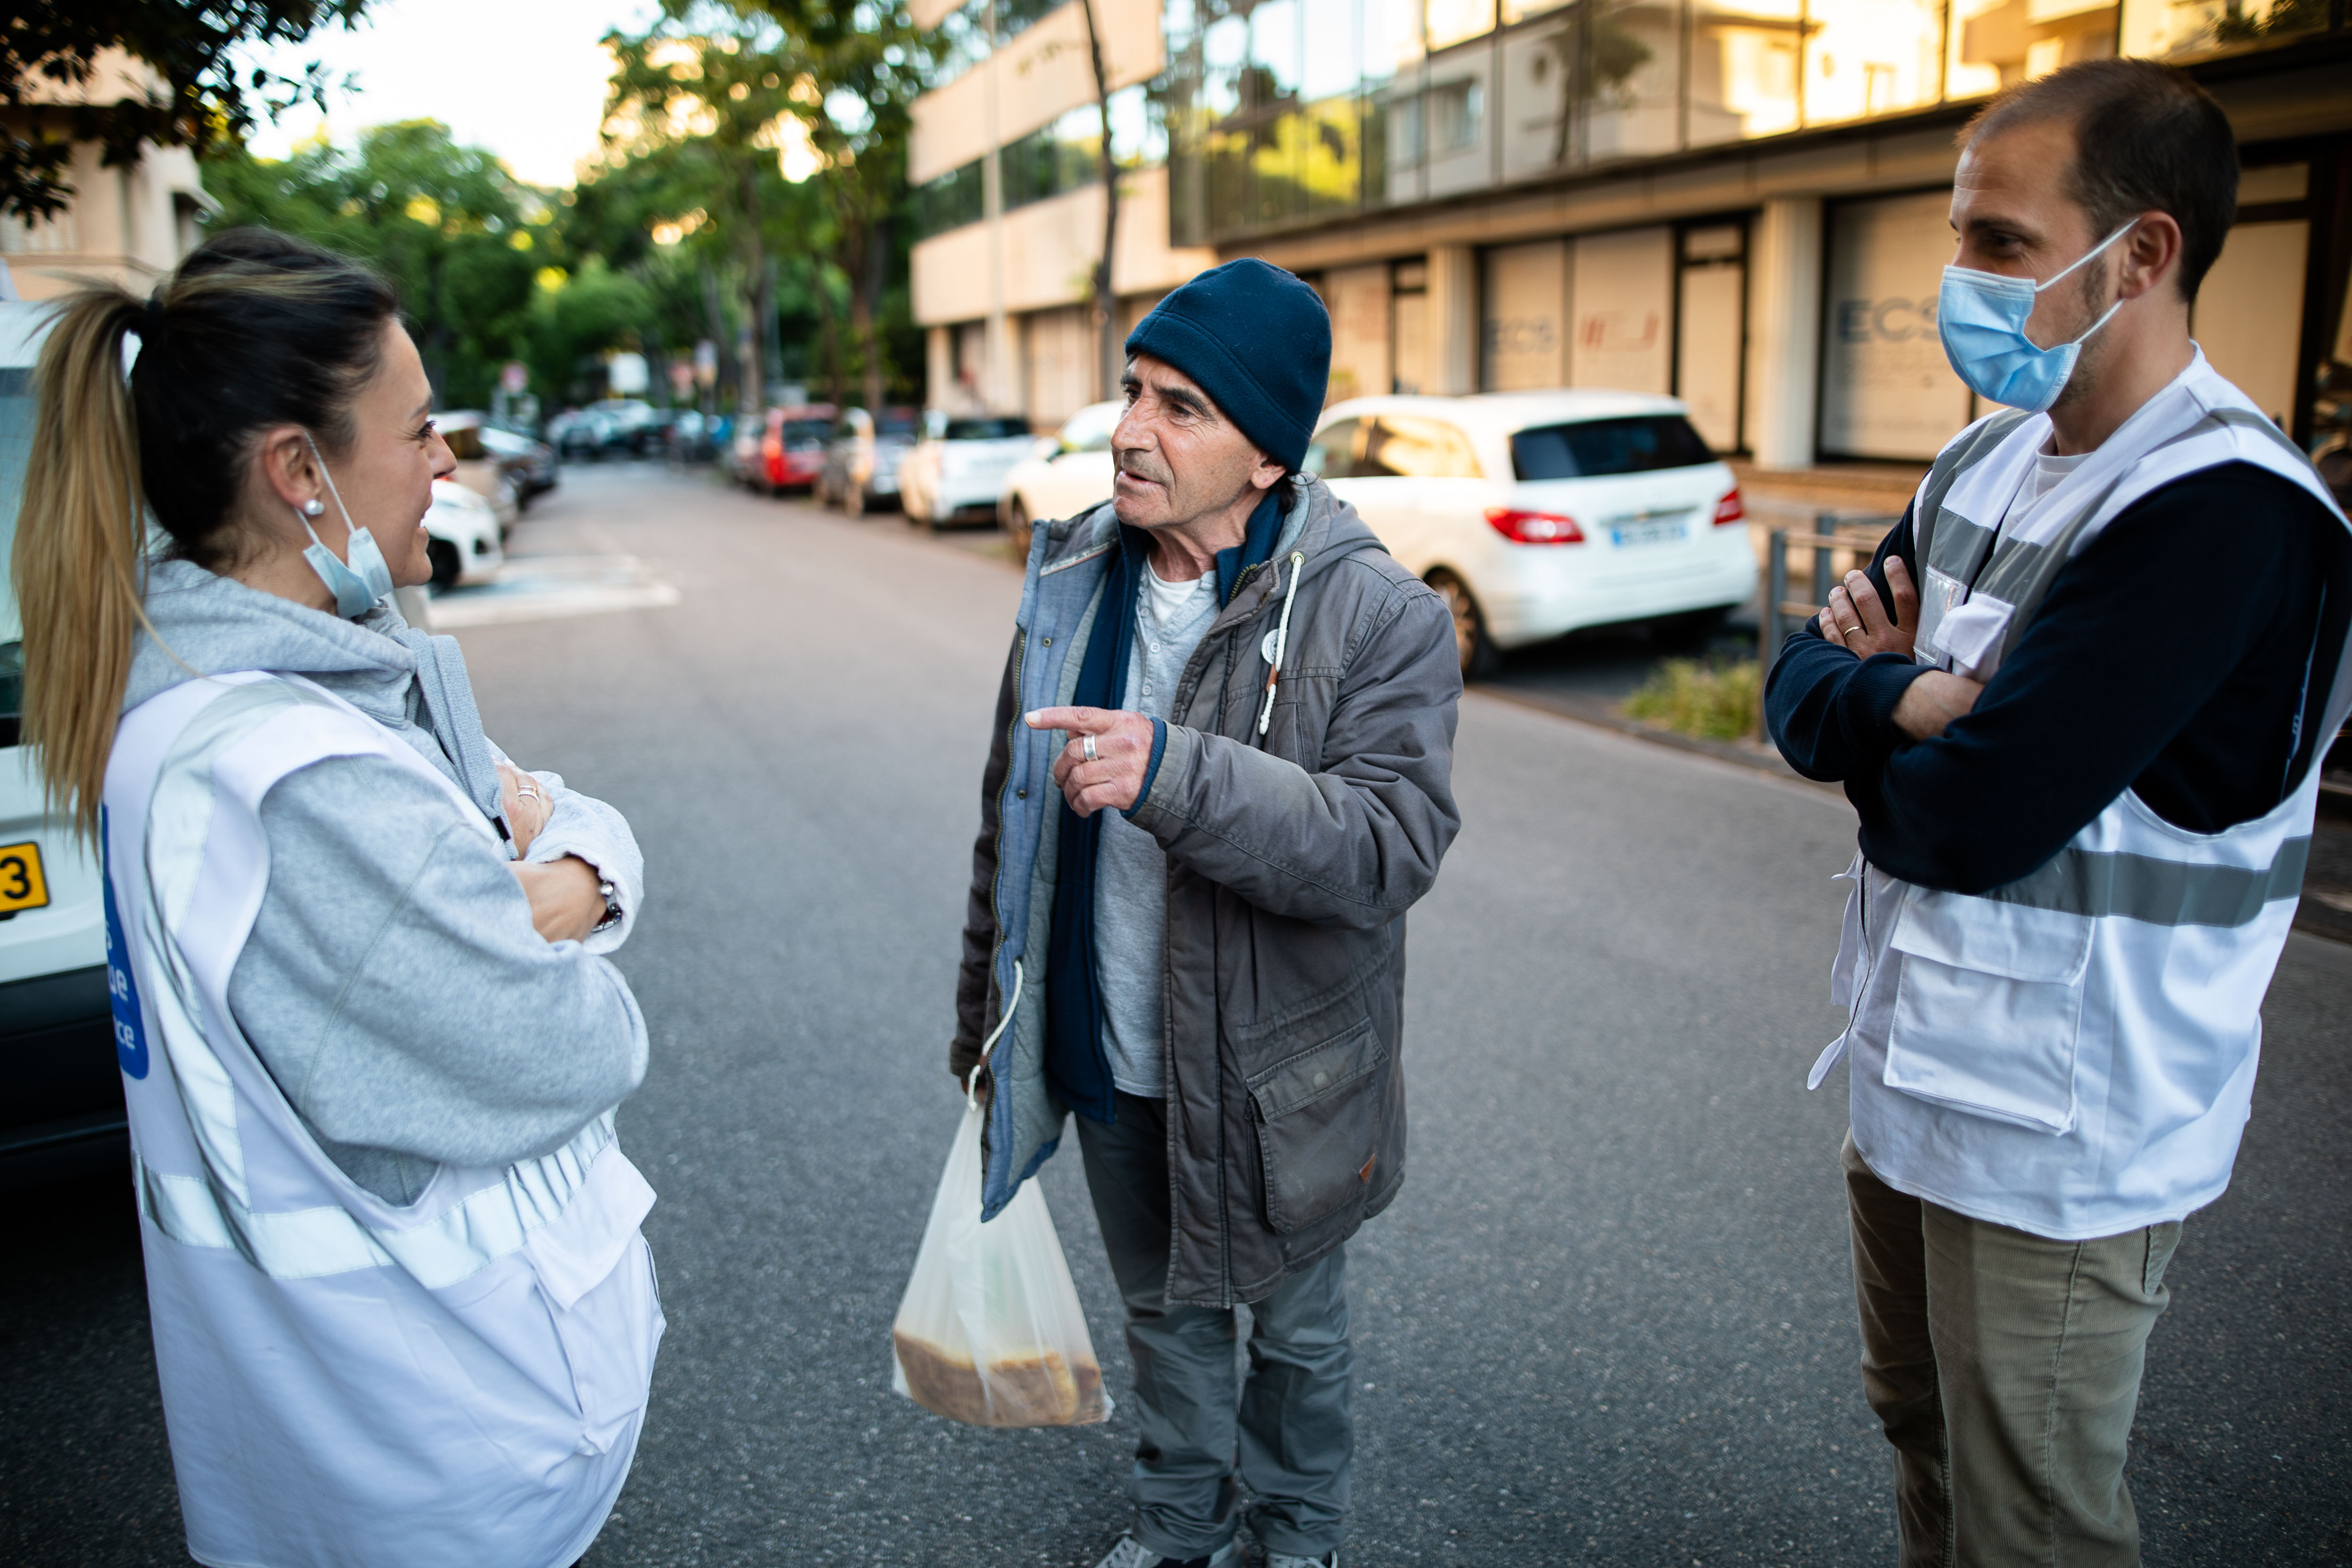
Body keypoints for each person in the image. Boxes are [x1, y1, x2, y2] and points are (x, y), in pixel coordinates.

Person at [1766, 61, 2351, 1567]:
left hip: (2071, 1133)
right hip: (1913, 1079)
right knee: (1924, 1444)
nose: (1955, 279)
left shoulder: (2221, 509)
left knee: (2033, 1522)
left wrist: (1889, 705)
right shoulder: (1984, 456)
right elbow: (1791, 685)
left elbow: (1972, 821)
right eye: (1957, 237)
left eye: (2001, 244)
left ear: (2143, 254)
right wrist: (1899, 700)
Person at [12, 230, 662, 1568]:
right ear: (299, 473)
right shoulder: (304, 778)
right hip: (448, 1444)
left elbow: (519, 858)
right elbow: (580, 1044)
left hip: (354, 1439)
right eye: (420, 432)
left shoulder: (213, 699)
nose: (448, 466)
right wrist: (582, 872)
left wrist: (538, 885)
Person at [947, 259, 1462, 1568]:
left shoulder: (1378, 613)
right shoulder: (1070, 575)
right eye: (1133, 393)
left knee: (1294, 1338)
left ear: (1267, 457)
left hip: (1281, 1081)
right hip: (1105, 1041)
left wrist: (1177, 773)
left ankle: (1296, 1539)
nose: (1129, 430)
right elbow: (1010, 822)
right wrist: (988, 1030)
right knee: (1165, 1315)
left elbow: (1387, 847)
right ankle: (1180, 1527)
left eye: (1181, 408)